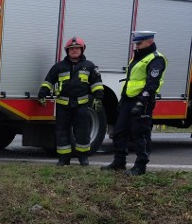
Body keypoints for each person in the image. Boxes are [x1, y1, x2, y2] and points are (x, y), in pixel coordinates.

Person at [101, 31, 167, 176]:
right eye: (136, 43)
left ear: (149, 42)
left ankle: (140, 166)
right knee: (119, 131)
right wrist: (123, 99)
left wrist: (142, 102)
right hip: (129, 99)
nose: (136, 46)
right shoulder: (138, 57)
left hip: (143, 100)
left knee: (140, 133)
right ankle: (119, 162)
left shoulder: (156, 59)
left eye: (139, 43)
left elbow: (152, 83)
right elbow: (131, 81)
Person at [37, 37, 104, 166]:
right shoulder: (59, 67)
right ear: (67, 51)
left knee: (82, 132)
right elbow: (49, 81)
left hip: (81, 105)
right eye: (71, 49)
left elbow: (97, 83)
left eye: (77, 48)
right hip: (63, 105)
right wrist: (42, 93)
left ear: (82, 50)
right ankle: (63, 159)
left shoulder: (89, 66)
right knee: (62, 132)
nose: (74, 50)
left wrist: (98, 97)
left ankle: (83, 158)